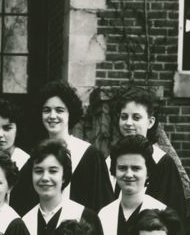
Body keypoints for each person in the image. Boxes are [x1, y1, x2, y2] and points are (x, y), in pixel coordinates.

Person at [107, 87, 190, 235]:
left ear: (150, 121)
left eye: (136, 118)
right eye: (124, 117)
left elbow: (171, 224)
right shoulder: (110, 162)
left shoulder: (162, 164)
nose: (128, 123)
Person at [20, 139, 112, 235]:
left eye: (53, 171)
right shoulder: (24, 223)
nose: (45, 177)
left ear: (64, 176)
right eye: (38, 171)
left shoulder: (85, 217)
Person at [10, 80, 114, 215]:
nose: (52, 116)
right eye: (47, 110)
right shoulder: (35, 158)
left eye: (59, 110)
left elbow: (103, 207)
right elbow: (21, 205)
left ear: (70, 113)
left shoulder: (90, 156)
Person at [98, 135, 176, 235]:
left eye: (136, 168)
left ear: (148, 173)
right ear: (114, 171)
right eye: (122, 168)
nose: (128, 174)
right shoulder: (104, 215)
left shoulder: (162, 214)